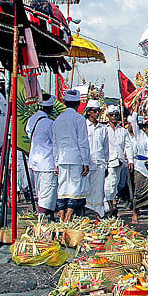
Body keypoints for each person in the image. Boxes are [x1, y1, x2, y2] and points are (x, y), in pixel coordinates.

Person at [52, 90, 91, 222]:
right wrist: (86, 161)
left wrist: (56, 162)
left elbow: (55, 143)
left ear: (64, 103)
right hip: (76, 157)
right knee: (75, 188)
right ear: (78, 104)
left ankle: (62, 215)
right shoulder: (79, 119)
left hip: (62, 158)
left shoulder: (57, 120)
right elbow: (83, 141)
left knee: (62, 187)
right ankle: (67, 217)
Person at [26, 94, 58, 217]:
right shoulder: (49, 123)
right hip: (47, 162)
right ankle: (43, 220)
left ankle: (44, 216)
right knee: (47, 193)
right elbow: (55, 142)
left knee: (40, 192)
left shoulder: (32, 120)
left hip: (35, 161)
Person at [83, 101, 110, 217]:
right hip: (87, 163)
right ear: (88, 112)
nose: (97, 113)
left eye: (98, 111)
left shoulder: (103, 128)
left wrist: (106, 165)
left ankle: (99, 213)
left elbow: (106, 149)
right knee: (85, 190)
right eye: (94, 111)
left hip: (100, 164)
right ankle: (85, 213)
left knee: (99, 190)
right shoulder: (83, 126)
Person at [105, 108, 132, 215]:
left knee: (117, 185)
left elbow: (128, 146)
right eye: (112, 114)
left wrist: (130, 160)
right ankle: (108, 207)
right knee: (109, 184)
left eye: (116, 114)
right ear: (108, 116)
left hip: (120, 161)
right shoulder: (104, 129)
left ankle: (111, 205)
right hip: (109, 161)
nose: (114, 116)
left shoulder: (123, 130)